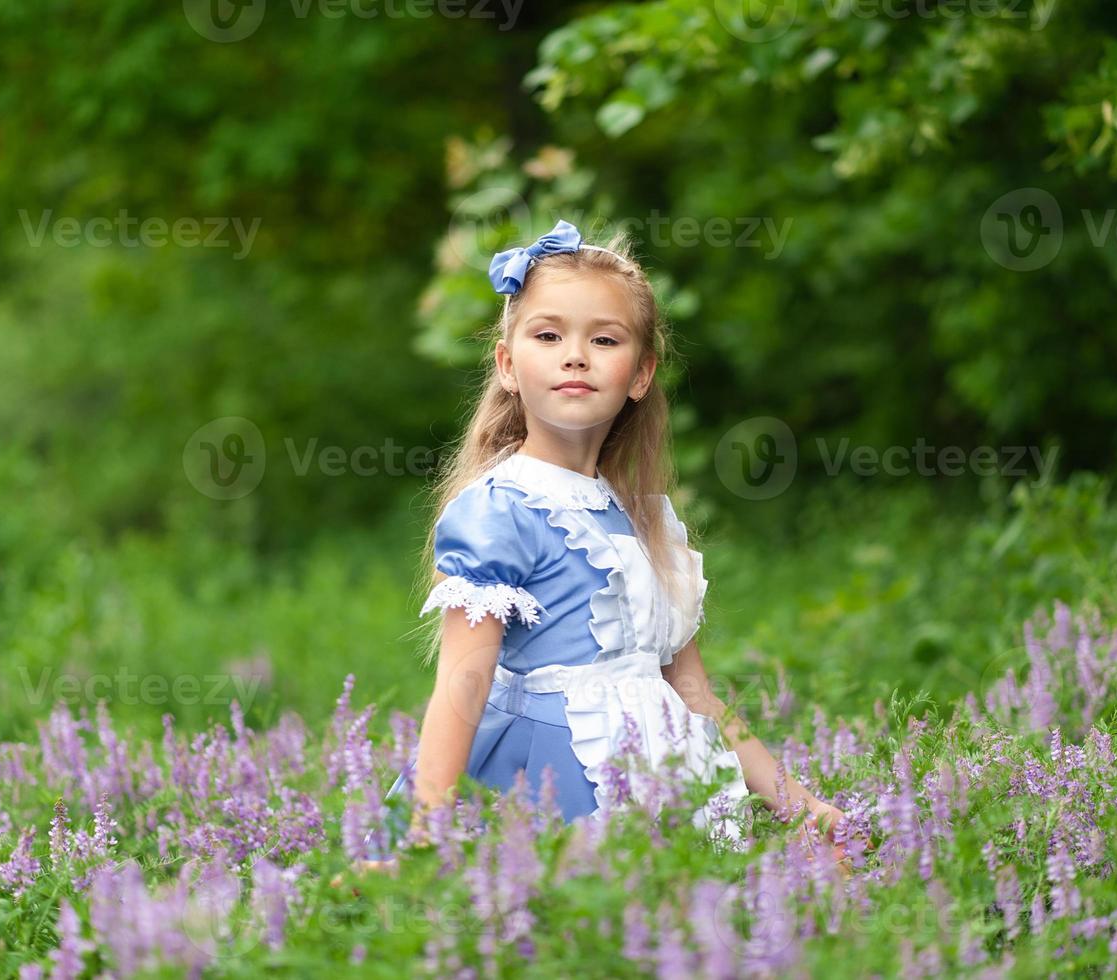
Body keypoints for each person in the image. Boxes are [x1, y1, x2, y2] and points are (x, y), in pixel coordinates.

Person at [353, 218, 842, 875]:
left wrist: (801, 805)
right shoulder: (502, 509)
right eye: (547, 335)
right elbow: (463, 681)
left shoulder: (647, 520)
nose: (574, 355)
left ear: (639, 375)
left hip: (660, 773)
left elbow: (692, 689)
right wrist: (427, 822)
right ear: (506, 365)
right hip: (553, 781)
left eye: (603, 339)